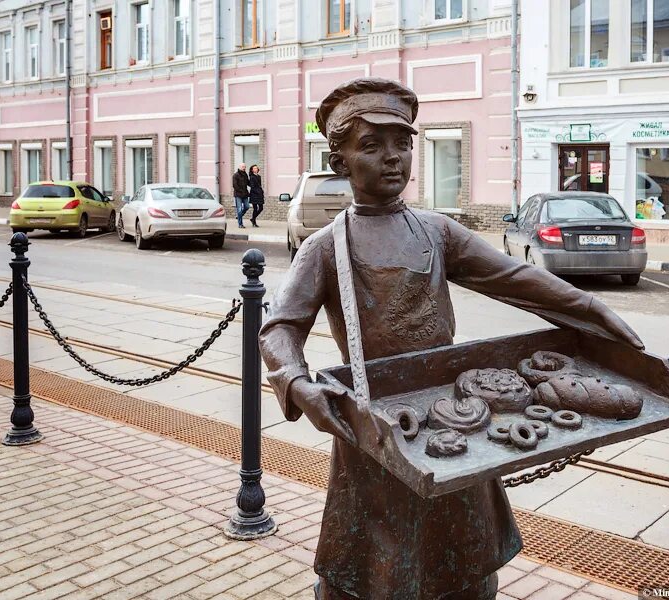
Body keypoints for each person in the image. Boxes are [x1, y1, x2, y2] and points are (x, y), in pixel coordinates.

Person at [258, 78, 642, 600]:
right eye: (371, 146)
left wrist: (592, 309)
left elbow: (514, 277)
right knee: (372, 569)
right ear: (340, 162)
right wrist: (297, 384)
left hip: (454, 417)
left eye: (403, 144)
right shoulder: (326, 247)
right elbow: (281, 326)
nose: (393, 159)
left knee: (466, 561)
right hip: (378, 424)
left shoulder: (436, 231)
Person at [232, 163, 250, 229]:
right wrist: (241, 191)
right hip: (238, 195)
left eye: (245, 167)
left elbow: (248, 183)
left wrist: (254, 184)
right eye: (243, 166)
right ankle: (240, 224)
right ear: (239, 167)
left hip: (245, 194)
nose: (244, 168)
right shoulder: (235, 175)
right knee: (239, 210)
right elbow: (235, 185)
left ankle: (239, 216)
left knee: (247, 207)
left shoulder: (245, 174)